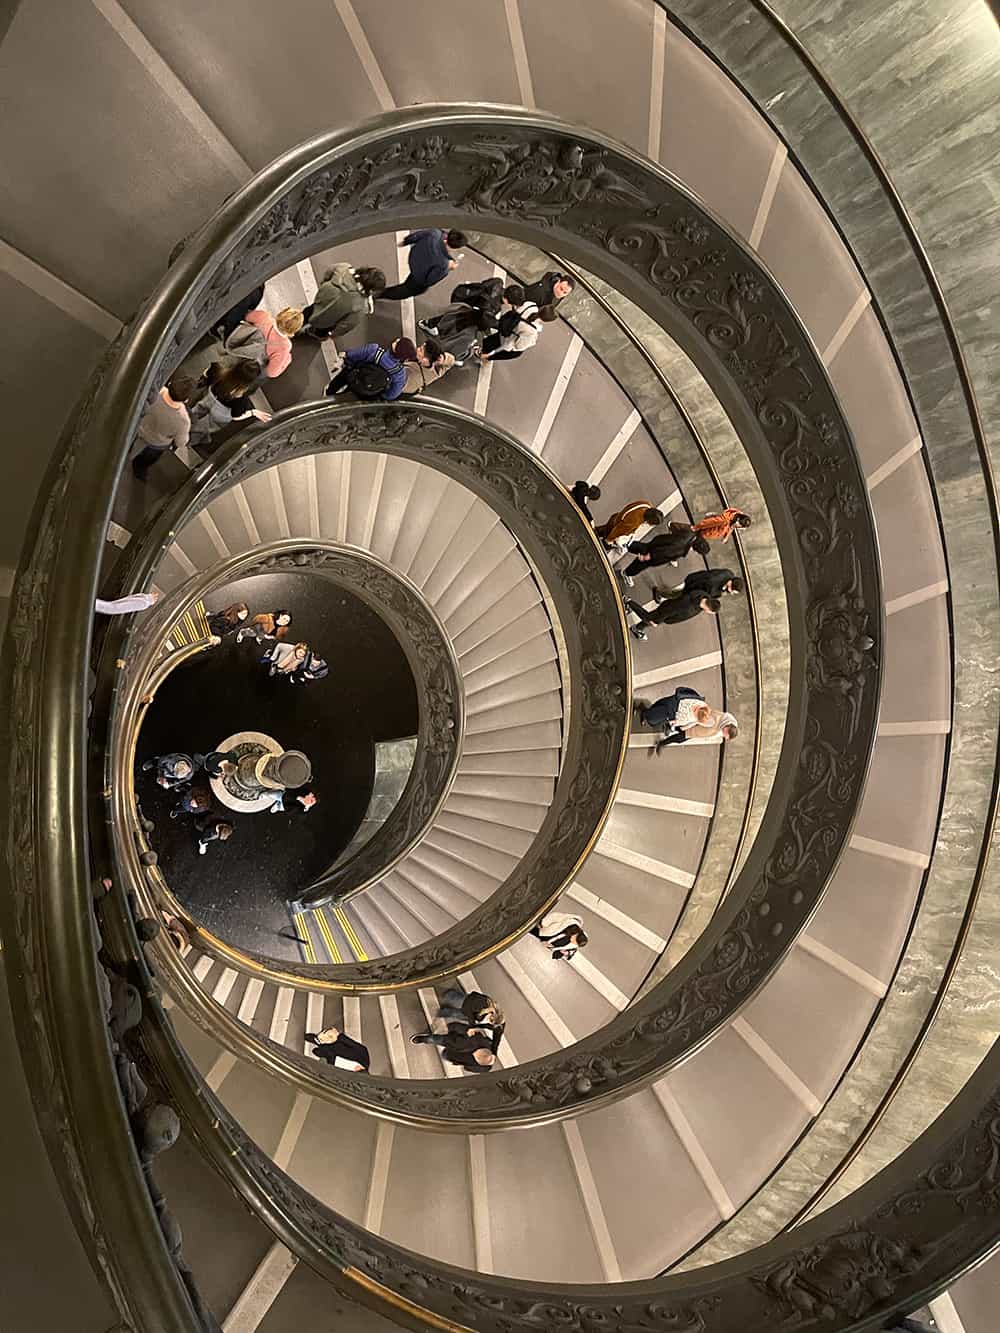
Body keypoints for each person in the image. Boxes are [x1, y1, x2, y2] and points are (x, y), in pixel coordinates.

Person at [131, 371, 198, 478]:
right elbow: (180, 443)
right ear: (186, 400)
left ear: (170, 383)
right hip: (155, 444)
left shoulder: (155, 392)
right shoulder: (184, 421)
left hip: (137, 428)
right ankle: (138, 469)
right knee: (146, 460)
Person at [186, 359, 263, 450]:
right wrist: (252, 412)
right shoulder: (240, 398)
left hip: (209, 399)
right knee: (203, 428)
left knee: (196, 412)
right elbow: (236, 416)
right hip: (219, 415)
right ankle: (189, 440)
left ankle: (185, 424)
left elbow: (207, 374)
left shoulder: (220, 372)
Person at [300, 264, 386, 338]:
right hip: (328, 321)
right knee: (320, 332)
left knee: (306, 315)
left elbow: (328, 274)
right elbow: (347, 325)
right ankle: (310, 333)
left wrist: (324, 286)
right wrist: (333, 334)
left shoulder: (343, 269)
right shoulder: (360, 306)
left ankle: (296, 325)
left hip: (319, 303)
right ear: (371, 290)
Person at [379, 228, 467, 301]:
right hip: (419, 277)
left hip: (413, 258)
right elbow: (430, 280)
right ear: (455, 247)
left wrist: (405, 242)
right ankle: (380, 294)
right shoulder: (443, 265)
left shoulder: (434, 233)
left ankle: (379, 292)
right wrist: (449, 268)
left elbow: (416, 236)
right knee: (407, 290)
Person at [635, 688, 738, 750]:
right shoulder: (714, 720)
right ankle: (644, 712)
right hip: (684, 721)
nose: (724, 735)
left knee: (659, 715)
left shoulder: (720, 724)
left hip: (686, 723)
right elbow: (688, 718)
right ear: (727, 727)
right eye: (726, 733)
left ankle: (647, 713)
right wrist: (678, 723)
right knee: (656, 717)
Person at [479, 286, 555, 362]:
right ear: (546, 320)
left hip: (505, 329)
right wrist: (532, 341)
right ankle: (484, 356)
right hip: (508, 340)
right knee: (503, 352)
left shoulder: (531, 305)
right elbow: (519, 346)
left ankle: (480, 349)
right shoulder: (532, 331)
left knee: (490, 342)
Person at [224, 306, 303, 378]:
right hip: (242, 366)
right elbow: (271, 373)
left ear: (281, 314)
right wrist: (287, 360)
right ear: (294, 330)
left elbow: (246, 316)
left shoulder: (264, 317)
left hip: (232, 342)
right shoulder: (284, 347)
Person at [325, 338, 412, 402]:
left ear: (394, 348)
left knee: (339, 380)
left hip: (352, 375)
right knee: (350, 396)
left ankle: (329, 393)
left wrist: (344, 356)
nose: (397, 339)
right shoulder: (399, 373)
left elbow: (352, 356)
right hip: (367, 393)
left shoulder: (374, 350)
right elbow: (392, 395)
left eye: (398, 342)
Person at [620, 525, 711, 584]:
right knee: (641, 564)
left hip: (660, 541)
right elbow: (666, 552)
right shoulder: (681, 548)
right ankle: (627, 573)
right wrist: (650, 556)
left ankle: (625, 544)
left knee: (644, 547)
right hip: (656, 554)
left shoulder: (690, 533)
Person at [436, 987, 505, 1054]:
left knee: (453, 1013)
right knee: (450, 998)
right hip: (464, 1003)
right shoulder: (485, 1003)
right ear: (492, 1014)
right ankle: (444, 993)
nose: (488, 1022)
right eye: (490, 1020)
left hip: (468, 1015)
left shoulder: (499, 1023)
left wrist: (494, 1053)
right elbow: (470, 1004)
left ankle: (441, 1012)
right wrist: (472, 1025)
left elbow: (497, 1037)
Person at [625, 592, 721, 640]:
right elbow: (669, 611)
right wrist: (657, 621)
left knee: (652, 617)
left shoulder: (702, 595)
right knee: (648, 618)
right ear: (709, 608)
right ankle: (628, 602)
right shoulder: (687, 605)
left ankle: (639, 627)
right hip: (666, 611)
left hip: (670, 610)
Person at [410, 1026, 496, 1071]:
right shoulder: (481, 1040)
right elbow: (468, 1031)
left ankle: (428, 1040)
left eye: (475, 1057)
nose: (473, 1053)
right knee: (434, 1039)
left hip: (453, 1055)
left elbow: (468, 1068)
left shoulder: (484, 1068)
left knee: (444, 1054)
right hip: (452, 1042)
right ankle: (424, 1039)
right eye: (477, 1052)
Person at [595, 501, 665, 547]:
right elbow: (618, 530)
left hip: (617, 517)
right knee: (599, 544)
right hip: (614, 527)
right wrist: (609, 540)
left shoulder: (646, 504)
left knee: (598, 530)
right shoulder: (635, 521)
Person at [304, 1026, 371, 1072]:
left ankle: (319, 1044)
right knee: (314, 1039)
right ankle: (316, 1039)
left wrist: (330, 1061)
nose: (357, 1069)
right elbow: (357, 1046)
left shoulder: (351, 1077)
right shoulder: (364, 1058)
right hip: (334, 1045)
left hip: (330, 1056)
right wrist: (339, 1037)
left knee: (317, 1051)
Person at [658, 568, 743, 600]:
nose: (732, 593)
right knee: (678, 594)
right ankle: (661, 593)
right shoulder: (713, 584)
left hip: (698, 580)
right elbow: (697, 585)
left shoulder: (729, 573)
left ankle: (665, 593)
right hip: (694, 584)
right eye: (732, 591)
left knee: (678, 592)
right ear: (730, 583)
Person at [95, 590, 160, 615]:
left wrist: (96, 604)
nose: (155, 594)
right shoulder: (144, 599)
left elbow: (115, 608)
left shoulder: (144, 603)